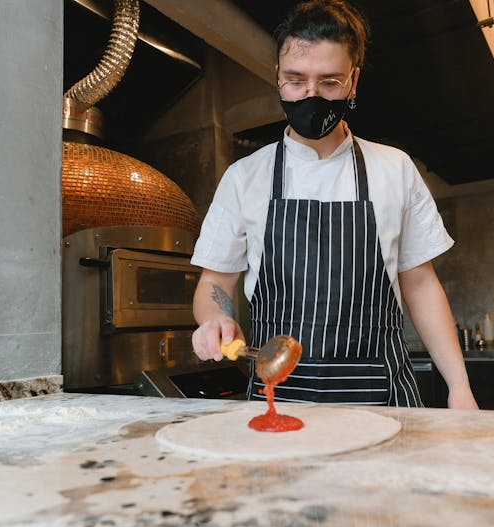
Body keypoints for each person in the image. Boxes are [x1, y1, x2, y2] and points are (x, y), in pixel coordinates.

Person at [190, 0, 478, 409]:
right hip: (279, 400)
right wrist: (215, 318)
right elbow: (215, 282)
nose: (311, 95)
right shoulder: (244, 177)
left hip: (382, 399)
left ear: (353, 80)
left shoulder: (394, 168)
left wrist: (460, 386)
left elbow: (420, 285)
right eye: (295, 80)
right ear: (277, 76)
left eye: (329, 82)